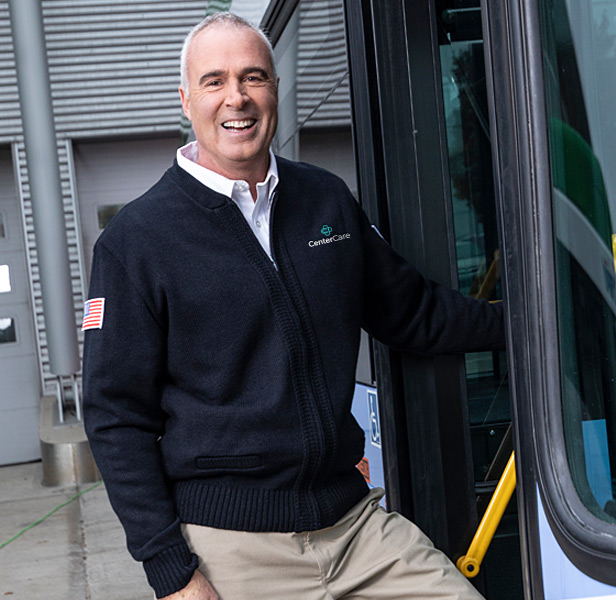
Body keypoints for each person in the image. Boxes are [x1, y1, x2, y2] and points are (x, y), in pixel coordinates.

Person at [82, 12, 505, 600]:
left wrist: (532, 322)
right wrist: (171, 571)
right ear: (186, 99)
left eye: (254, 77)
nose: (237, 97)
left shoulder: (324, 198)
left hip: (355, 529)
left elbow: (413, 312)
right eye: (214, 81)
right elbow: (113, 414)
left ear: (274, 89)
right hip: (233, 546)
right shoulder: (135, 241)